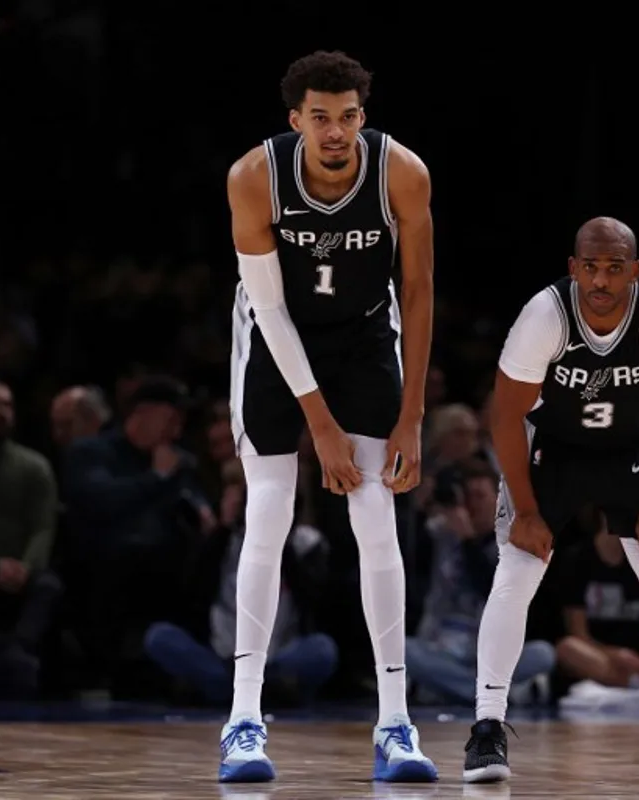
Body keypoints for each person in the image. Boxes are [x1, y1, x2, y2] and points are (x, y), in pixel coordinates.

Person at [219, 50, 436, 784]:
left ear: (362, 118)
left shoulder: (402, 172)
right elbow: (271, 307)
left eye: (347, 116)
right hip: (278, 337)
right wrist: (320, 424)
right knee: (271, 511)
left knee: (377, 513)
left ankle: (396, 724)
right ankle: (243, 722)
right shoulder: (254, 177)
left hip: (367, 336)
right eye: (321, 117)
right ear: (295, 121)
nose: (336, 130)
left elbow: (419, 291)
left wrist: (412, 416)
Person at [462, 217, 639, 785]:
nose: (602, 280)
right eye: (591, 267)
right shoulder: (544, 317)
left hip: (629, 451)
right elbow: (505, 416)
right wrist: (527, 511)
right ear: (573, 268)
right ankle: (487, 730)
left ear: (635, 271)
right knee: (515, 575)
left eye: (615, 268)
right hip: (553, 451)